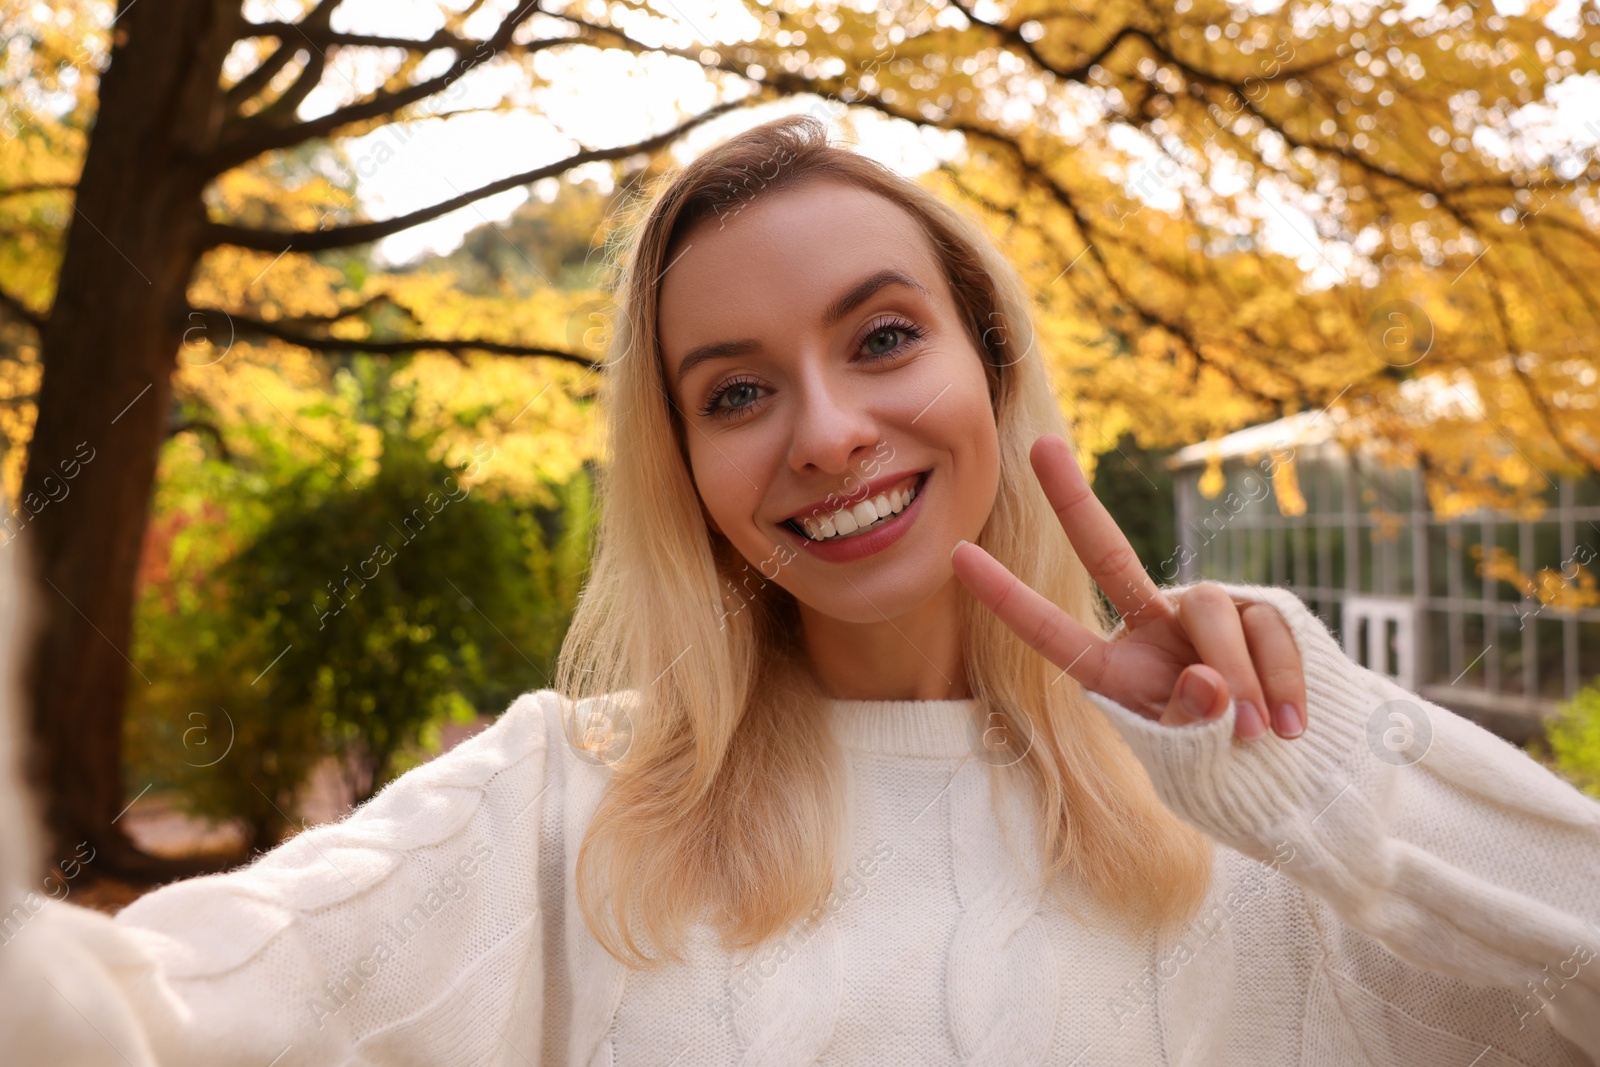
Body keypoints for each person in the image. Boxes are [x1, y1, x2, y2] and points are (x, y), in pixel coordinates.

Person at [1, 112, 1598, 1066]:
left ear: (993, 361)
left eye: (884, 336)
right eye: (738, 392)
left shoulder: (1256, 811)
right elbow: (144, 1019)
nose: (830, 433)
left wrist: (1331, 779)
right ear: (682, 464)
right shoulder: (566, 800)